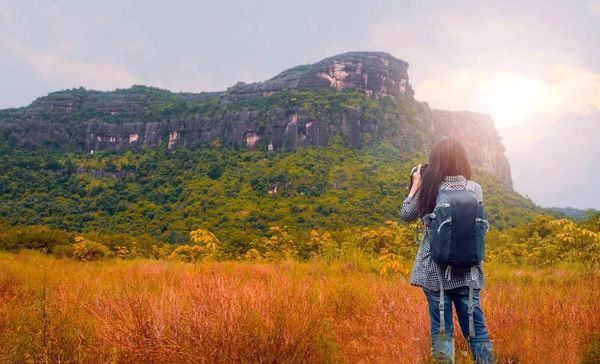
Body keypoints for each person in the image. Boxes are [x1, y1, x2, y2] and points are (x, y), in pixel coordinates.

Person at [400, 137, 494, 363]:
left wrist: (416, 185)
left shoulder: (430, 189)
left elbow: (406, 215)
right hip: (468, 274)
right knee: (477, 333)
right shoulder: (475, 189)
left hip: (436, 275)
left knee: (442, 335)